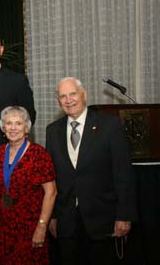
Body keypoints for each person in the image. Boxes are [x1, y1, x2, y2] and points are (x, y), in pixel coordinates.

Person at [45, 77, 137, 265]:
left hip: (103, 219)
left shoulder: (110, 125)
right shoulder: (52, 131)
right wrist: (52, 216)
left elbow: (123, 174)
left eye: (73, 94)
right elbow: (51, 177)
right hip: (67, 221)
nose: (68, 100)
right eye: (63, 96)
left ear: (84, 95)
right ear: (58, 101)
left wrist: (124, 215)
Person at [0, 106, 57, 264]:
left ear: (26, 127)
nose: (13, 128)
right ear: (3, 128)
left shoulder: (39, 154)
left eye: (18, 123)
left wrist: (42, 227)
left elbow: (51, 193)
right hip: (2, 226)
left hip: (30, 228)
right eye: (8, 123)